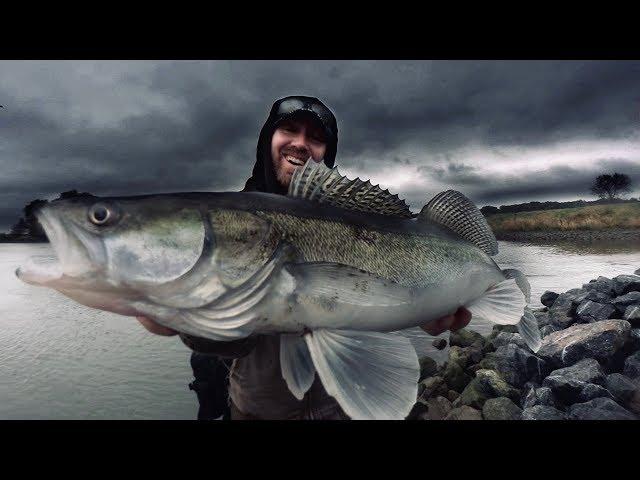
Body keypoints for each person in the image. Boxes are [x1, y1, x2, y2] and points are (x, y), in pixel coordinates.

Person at [137, 95, 471, 420]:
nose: (300, 143)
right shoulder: (232, 219)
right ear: (267, 139)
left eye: (315, 138)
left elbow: (382, 296)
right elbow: (235, 338)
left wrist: (426, 309)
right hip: (261, 410)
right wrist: (186, 319)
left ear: (328, 153)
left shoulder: (355, 219)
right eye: (289, 130)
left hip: (343, 406)